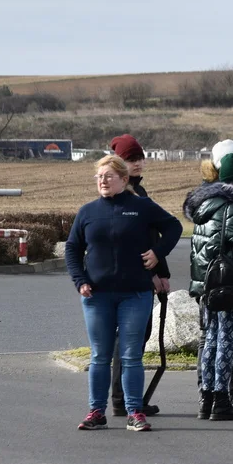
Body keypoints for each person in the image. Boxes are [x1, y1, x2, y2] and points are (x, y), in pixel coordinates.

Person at [66, 155, 182, 432]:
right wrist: (79, 280)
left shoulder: (141, 207)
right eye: (99, 177)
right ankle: (96, 411)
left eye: (109, 176)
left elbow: (174, 227)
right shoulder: (88, 212)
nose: (103, 181)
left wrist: (158, 253)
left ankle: (134, 412)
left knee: (131, 356)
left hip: (135, 295)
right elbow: (72, 248)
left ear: (123, 179)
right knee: (99, 356)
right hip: (97, 296)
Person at [185, 153, 233, 421]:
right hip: (229, 284)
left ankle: (205, 400)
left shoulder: (203, 207)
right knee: (225, 341)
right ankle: (221, 400)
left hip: (206, 286)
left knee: (210, 342)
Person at [108, 134, 170, 418]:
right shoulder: (127, 195)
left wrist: (161, 271)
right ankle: (123, 399)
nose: (138, 163)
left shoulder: (137, 193)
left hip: (140, 274)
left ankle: (125, 397)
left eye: (140, 158)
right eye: (132, 159)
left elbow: (154, 235)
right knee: (130, 339)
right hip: (133, 277)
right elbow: (143, 239)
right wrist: (156, 273)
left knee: (134, 338)